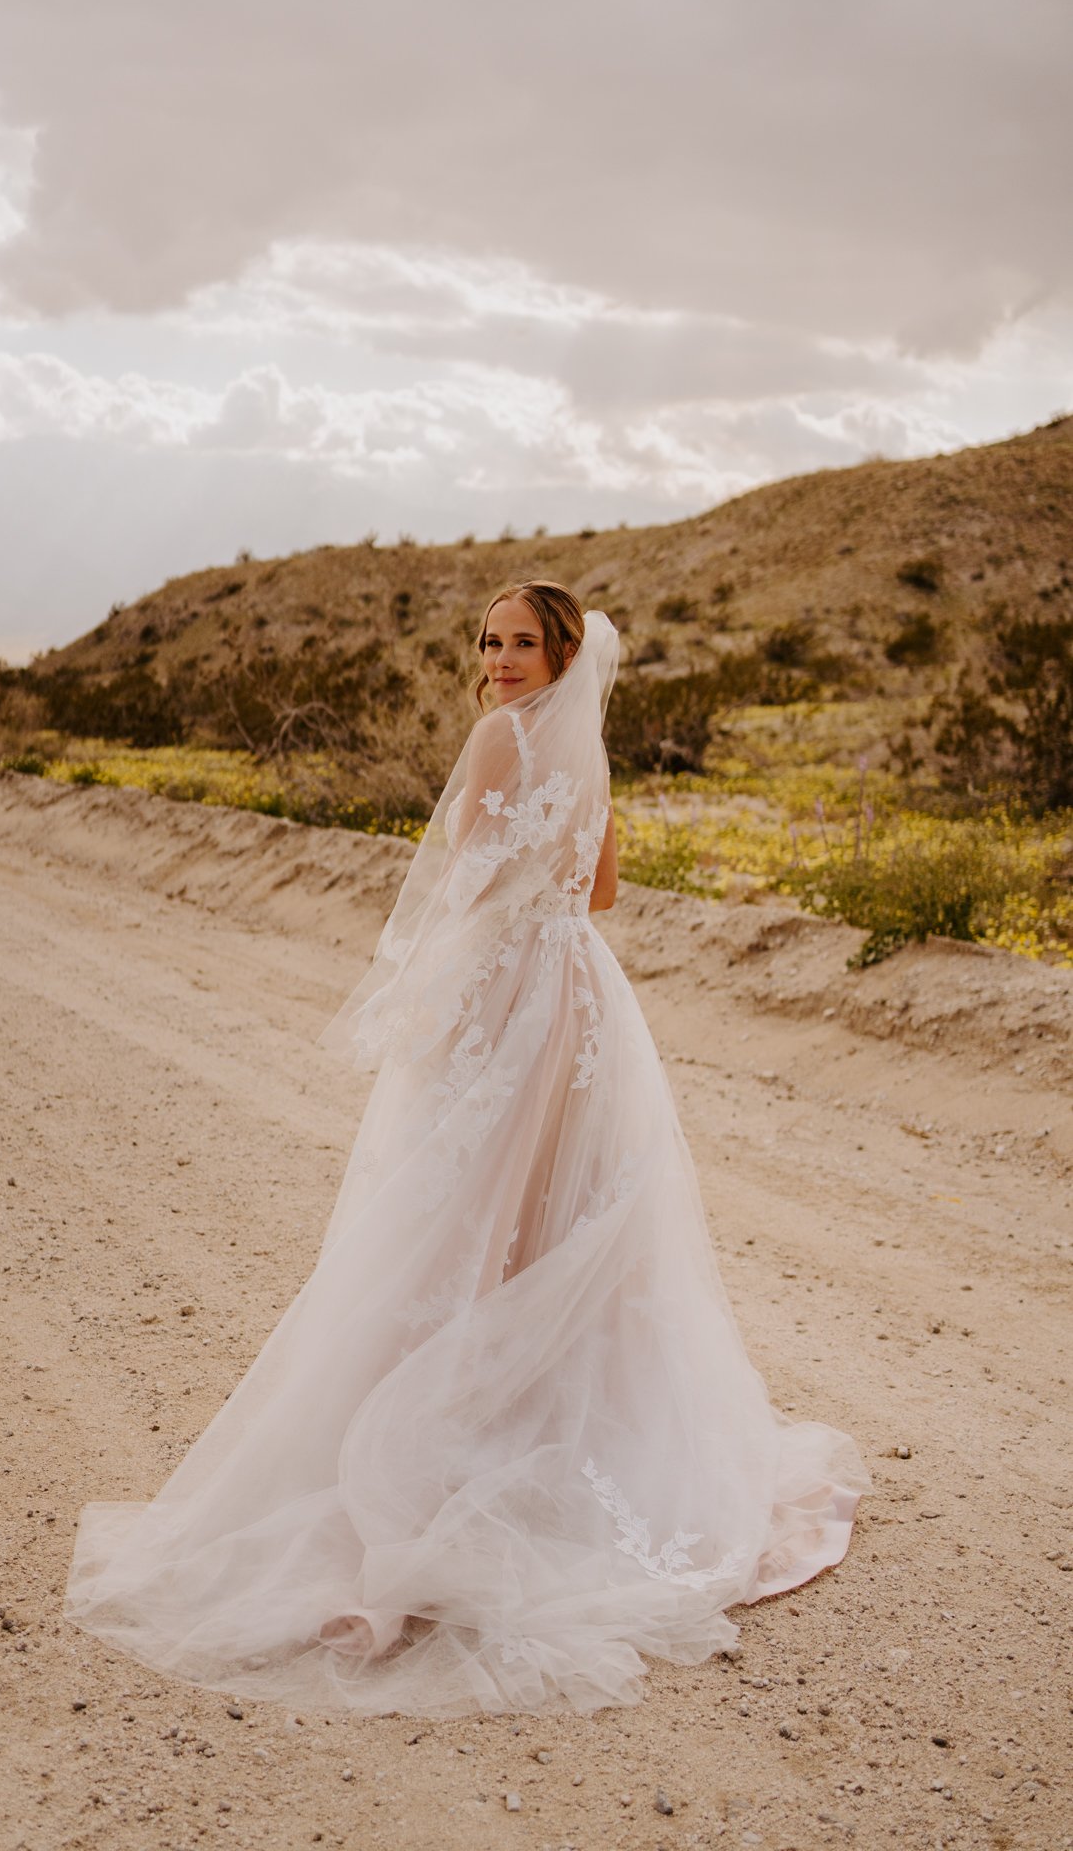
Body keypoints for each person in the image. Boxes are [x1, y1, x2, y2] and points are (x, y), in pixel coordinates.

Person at [64, 578, 870, 1717]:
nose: (497, 658)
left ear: (560, 650)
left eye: (520, 642)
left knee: (459, 1216)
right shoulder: (583, 742)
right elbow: (600, 889)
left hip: (506, 997)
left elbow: (465, 888)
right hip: (581, 1000)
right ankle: (543, 1429)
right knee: (557, 1217)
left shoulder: (498, 739)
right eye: (489, 641)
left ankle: (433, 1454)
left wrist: (433, 999)